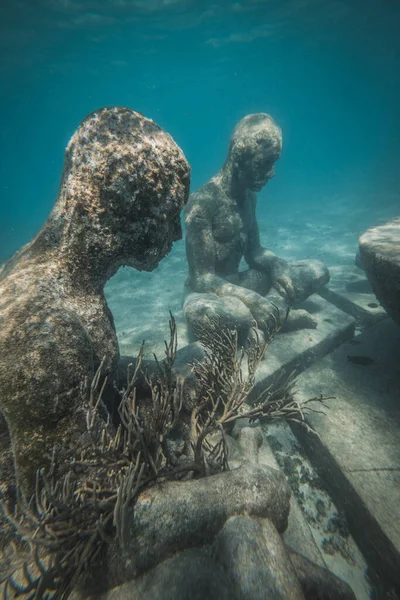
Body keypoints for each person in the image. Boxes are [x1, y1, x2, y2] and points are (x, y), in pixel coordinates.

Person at [0, 106, 190, 498]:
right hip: (31, 532)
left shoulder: (70, 290)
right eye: (171, 215)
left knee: (187, 374)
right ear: (125, 205)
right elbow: (78, 502)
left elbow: (90, 375)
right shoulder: (44, 331)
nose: (177, 234)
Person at [184, 113, 329, 344]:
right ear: (237, 155)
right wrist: (252, 300)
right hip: (208, 295)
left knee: (316, 270)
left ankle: (266, 320)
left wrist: (277, 265)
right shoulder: (202, 203)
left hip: (241, 283)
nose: (271, 173)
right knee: (226, 314)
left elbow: (255, 252)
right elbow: (202, 278)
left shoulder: (249, 197)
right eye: (262, 164)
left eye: (273, 164)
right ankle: (276, 316)